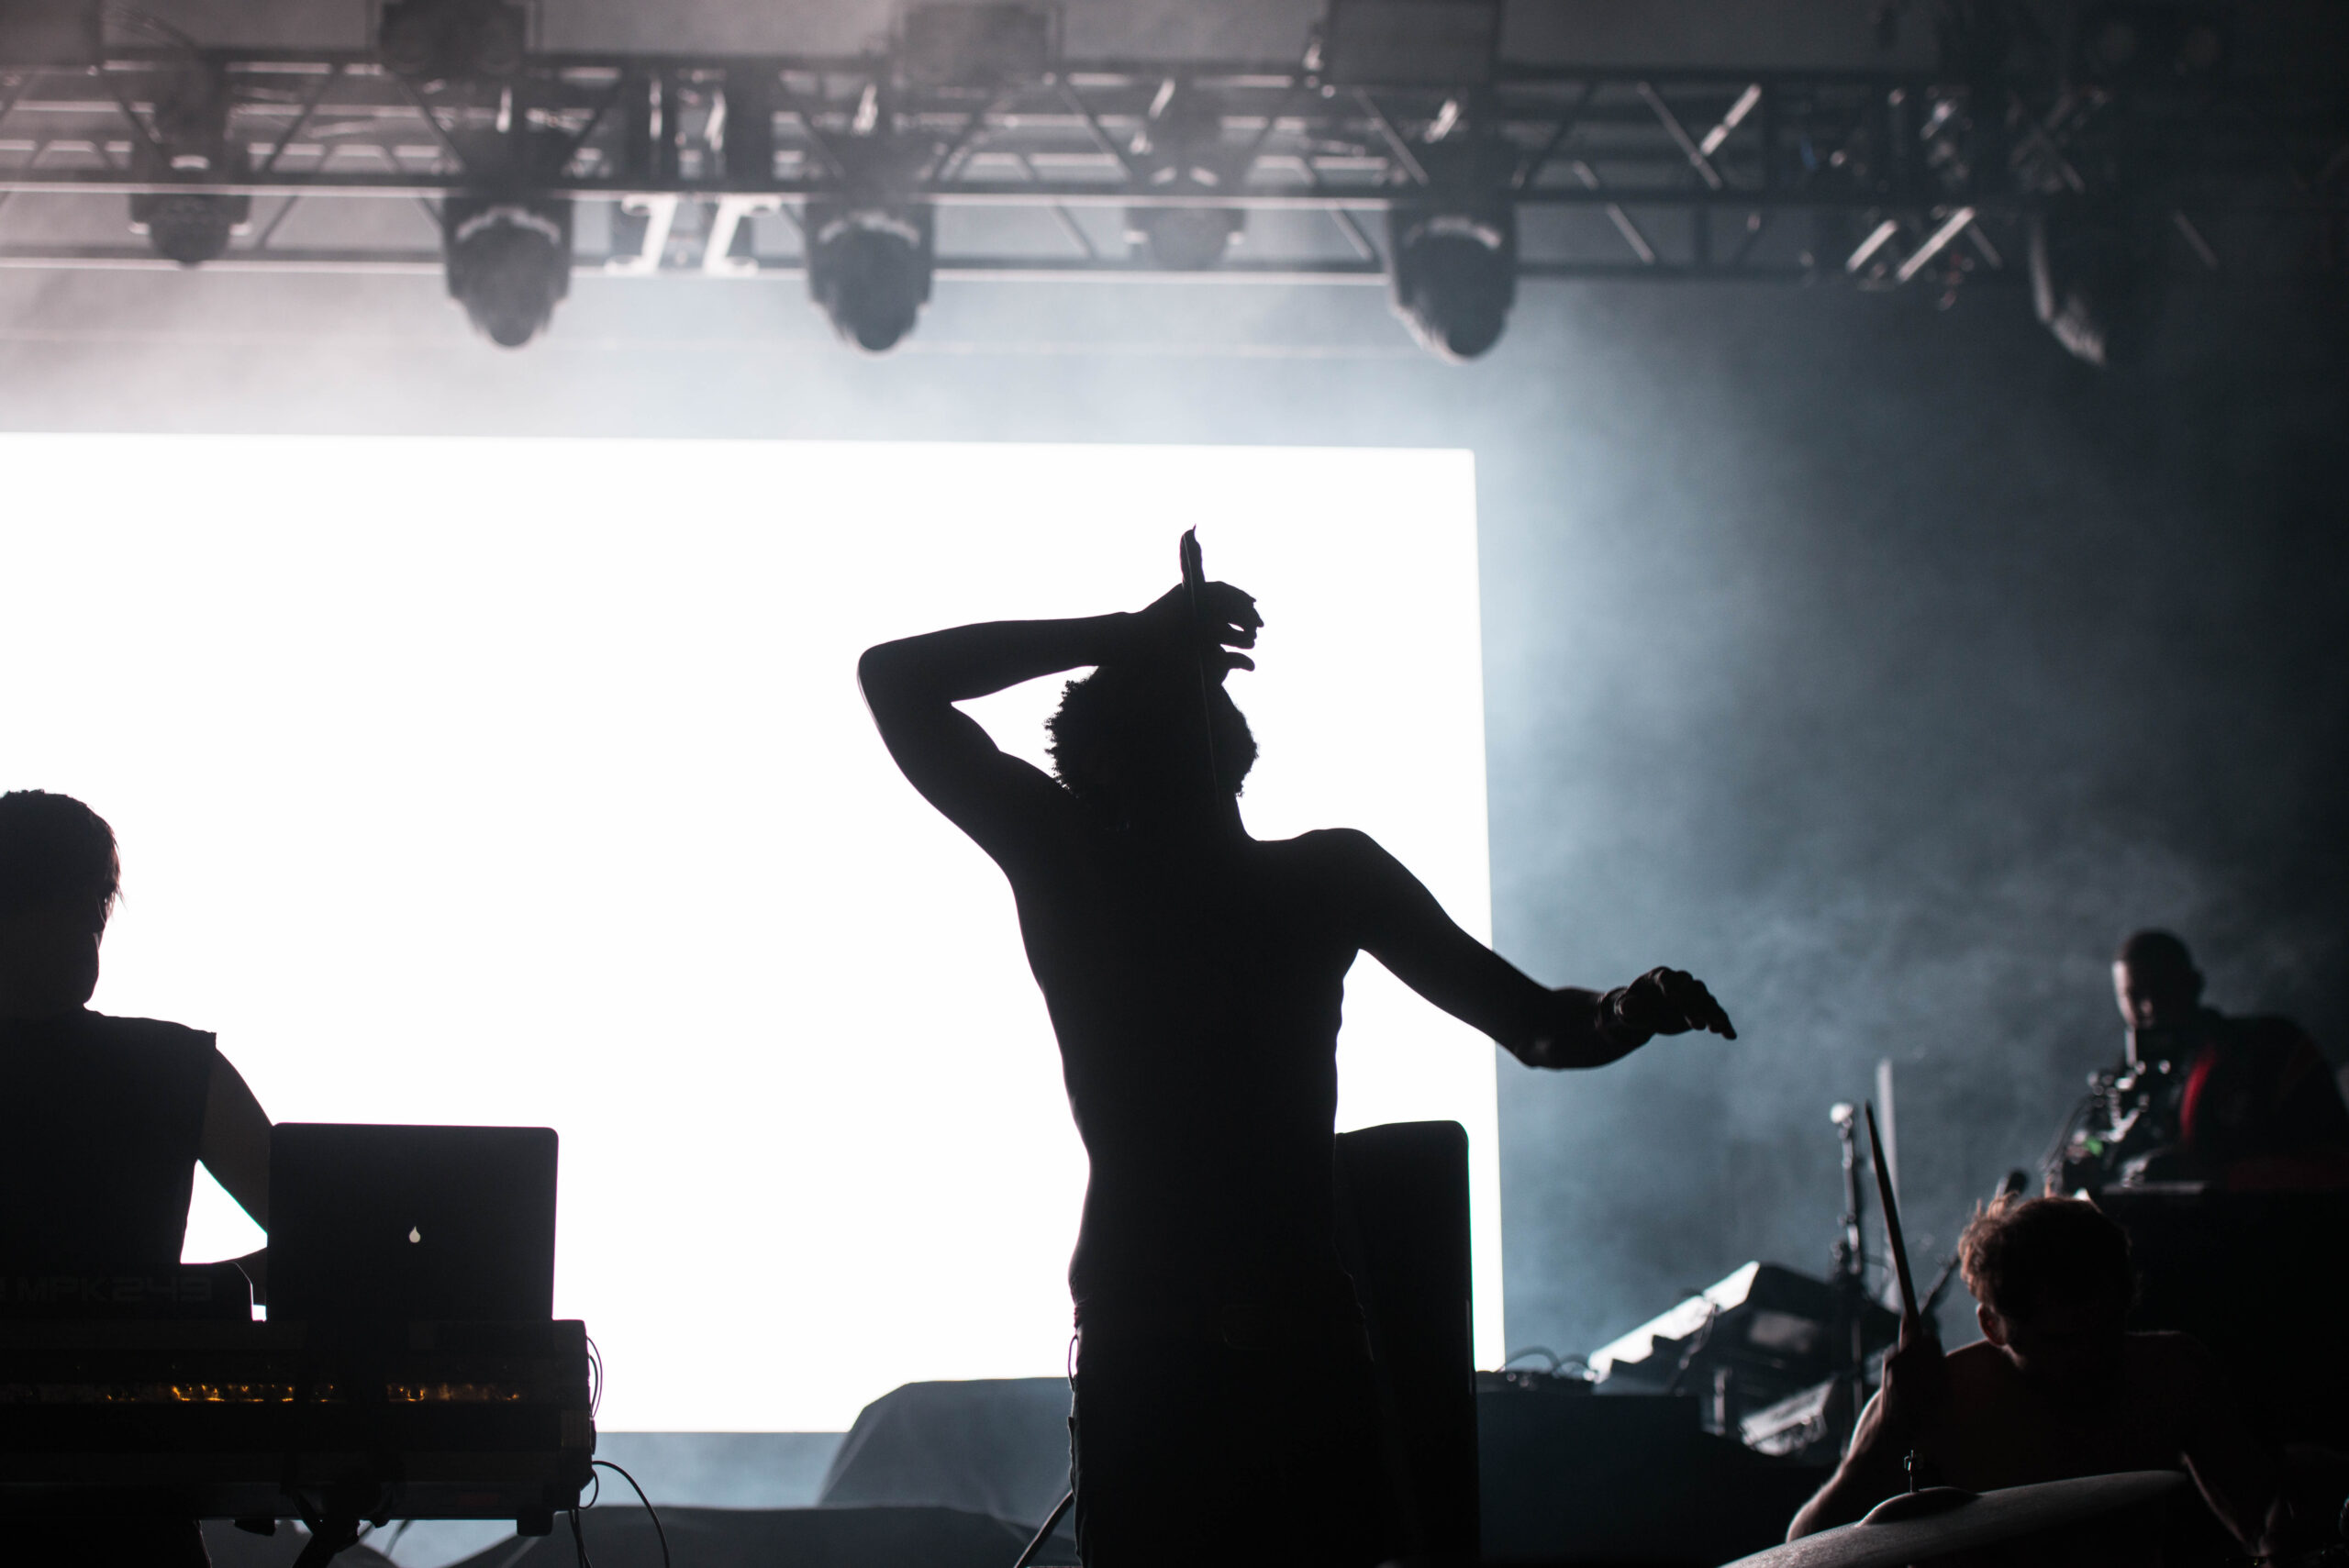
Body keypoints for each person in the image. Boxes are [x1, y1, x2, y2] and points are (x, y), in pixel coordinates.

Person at [859, 573, 1736, 1567]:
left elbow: (1543, 1027)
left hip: (1261, 1337)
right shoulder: (1087, 862)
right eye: (1165, 694)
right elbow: (893, 675)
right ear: (1103, 761)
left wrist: (1628, 1007)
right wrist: (1130, 631)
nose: (1198, 700)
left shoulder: (1292, 876)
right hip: (1184, 1339)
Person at [0, 789, 274, 1568]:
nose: (88, 928)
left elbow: (330, 1237)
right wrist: (193, 1297)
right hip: (133, 1500)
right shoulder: (177, 1068)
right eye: (83, 906)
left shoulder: (180, 1068)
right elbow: (338, 1240)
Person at [1787, 1195, 2285, 1564]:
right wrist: (1882, 1439)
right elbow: (1803, 1554)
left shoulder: (2174, 1373)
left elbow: (2264, 1523)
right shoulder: (1936, 1401)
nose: (2091, 1358)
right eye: (2061, 1342)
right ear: (1993, 1327)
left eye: (2106, 1330)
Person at [2059, 929, 2349, 1193]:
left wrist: (2214, 1177)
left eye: (2161, 988)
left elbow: (2334, 1163)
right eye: (2134, 996)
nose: (2149, 1007)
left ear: (2193, 984)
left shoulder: (2267, 1047)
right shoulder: (2122, 1080)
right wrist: (2087, 1156)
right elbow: (2095, 1140)